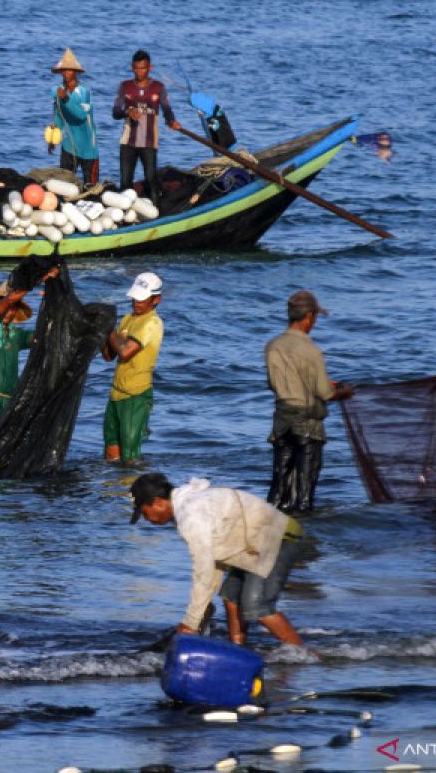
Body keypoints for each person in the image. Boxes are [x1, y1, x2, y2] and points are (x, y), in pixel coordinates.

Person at [130, 472, 306, 646]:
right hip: (252, 546)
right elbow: (213, 565)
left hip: (279, 538)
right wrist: (198, 613)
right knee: (231, 598)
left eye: (145, 513)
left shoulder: (191, 515)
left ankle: (303, 654)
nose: (147, 520)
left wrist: (191, 622)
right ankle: (237, 649)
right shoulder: (186, 505)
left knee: (256, 606)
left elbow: (204, 571)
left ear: (158, 502)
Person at [264, 290, 351, 514]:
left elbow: (275, 384)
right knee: (304, 494)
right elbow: (325, 393)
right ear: (310, 317)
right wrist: (344, 391)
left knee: (278, 490)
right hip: (308, 427)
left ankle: (272, 533)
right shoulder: (311, 350)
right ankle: (303, 542)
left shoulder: (273, 346)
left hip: (282, 423)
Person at [0, 266, 59, 432]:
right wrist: (35, 279)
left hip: (10, 406)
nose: (9, 311)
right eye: (4, 304)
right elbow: (8, 300)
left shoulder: (14, 334)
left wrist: (51, 301)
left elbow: (40, 336)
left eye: (13, 308)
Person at [102, 272, 164, 463]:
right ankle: (113, 489)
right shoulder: (128, 318)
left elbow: (126, 352)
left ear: (156, 300)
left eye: (143, 299)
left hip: (135, 397)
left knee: (130, 457)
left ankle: (132, 489)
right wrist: (100, 331)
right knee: (111, 451)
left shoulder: (152, 323)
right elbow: (108, 356)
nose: (137, 302)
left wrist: (110, 329)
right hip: (116, 394)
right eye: (135, 298)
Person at [112, 49, 181, 205]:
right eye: (136, 68)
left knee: (151, 178)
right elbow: (115, 112)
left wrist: (171, 121)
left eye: (143, 68)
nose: (139, 72)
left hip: (149, 143)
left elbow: (167, 109)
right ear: (132, 67)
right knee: (125, 181)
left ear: (150, 68)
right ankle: (125, 214)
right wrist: (127, 111)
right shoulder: (125, 86)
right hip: (128, 143)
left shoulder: (158, 87)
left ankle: (156, 210)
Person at [50, 48, 98, 186]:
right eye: (63, 70)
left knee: (90, 187)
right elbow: (58, 115)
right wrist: (53, 138)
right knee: (65, 186)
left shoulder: (84, 91)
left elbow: (81, 116)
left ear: (76, 72)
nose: (66, 73)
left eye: (69, 70)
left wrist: (66, 99)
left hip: (88, 148)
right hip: (68, 146)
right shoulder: (57, 90)